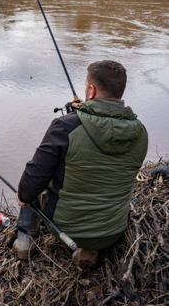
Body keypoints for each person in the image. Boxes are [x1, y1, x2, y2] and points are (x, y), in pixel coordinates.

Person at [14, 60, 148, 262]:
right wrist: (83, 114)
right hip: (114, 230)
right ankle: (90, 250)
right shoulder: (140, 132)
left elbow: (33, 181)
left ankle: (25, 240)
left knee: (32, 184)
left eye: (86, 85)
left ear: (91, 91)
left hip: (67, 231)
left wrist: (24, 196)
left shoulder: (64, 127)